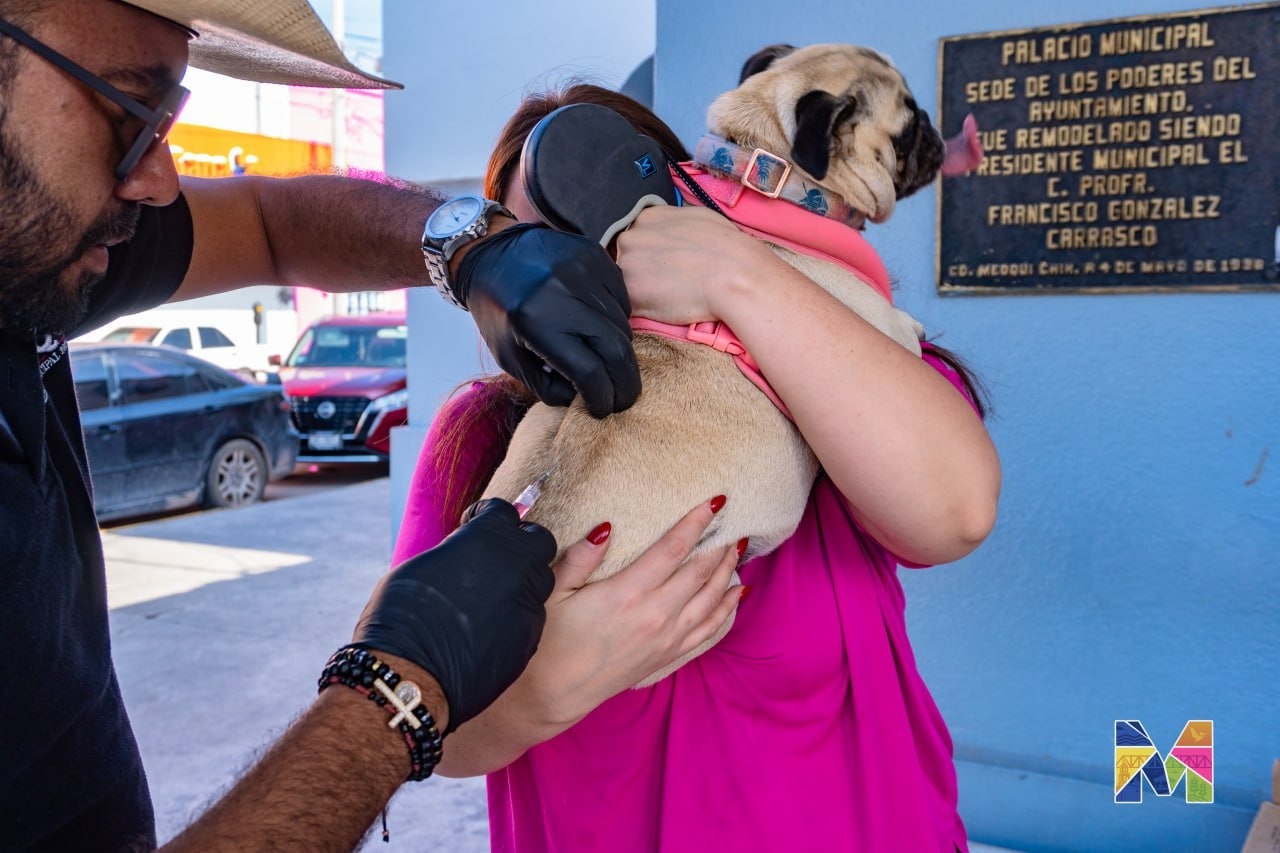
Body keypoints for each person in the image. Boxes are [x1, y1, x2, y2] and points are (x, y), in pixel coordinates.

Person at [0, 2, 714, 849]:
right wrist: (398, 690)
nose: (158, 178)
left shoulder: (31, 257)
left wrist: (467, 243)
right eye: (126, 108)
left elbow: (273, 223)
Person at [392, 84, 1002, 852]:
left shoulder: (824, 369)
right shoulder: (484, 436)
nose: (565, 283)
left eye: (590, 231)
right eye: (526, 256)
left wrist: (737, 275)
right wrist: (536, 692)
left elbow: (955, 508)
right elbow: (410, 720)